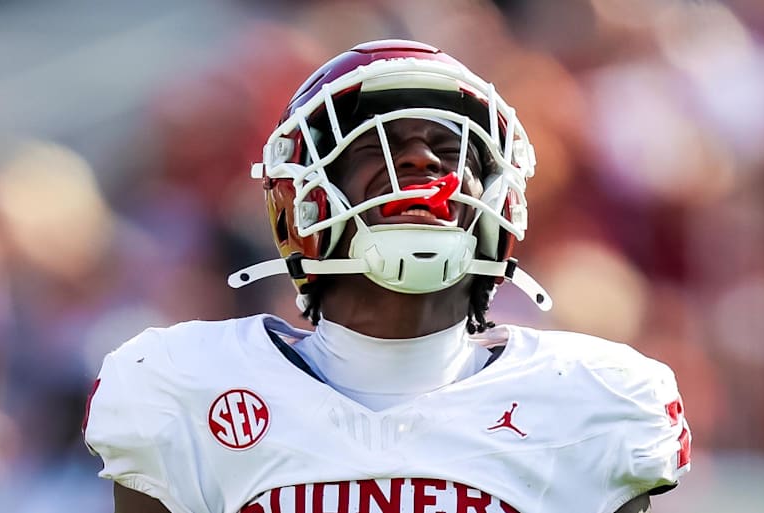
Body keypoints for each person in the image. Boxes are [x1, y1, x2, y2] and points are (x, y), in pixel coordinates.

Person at [83, 39, 691, 513]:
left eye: (448, 149)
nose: (420, 161)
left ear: (499, 199)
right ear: (302, 198)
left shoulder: (593, 398)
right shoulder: (184, 385)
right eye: (376, 146)